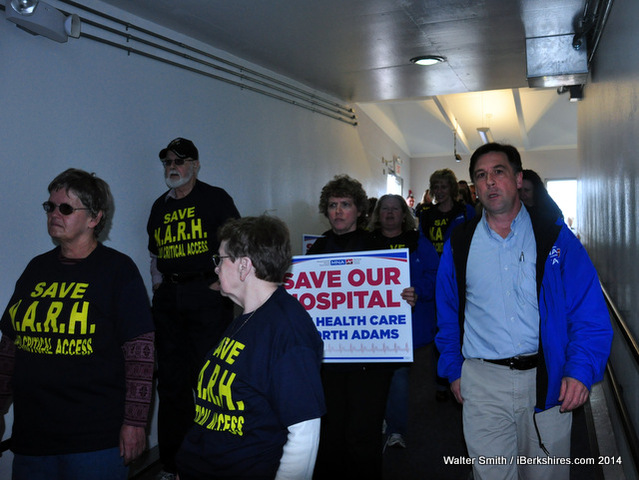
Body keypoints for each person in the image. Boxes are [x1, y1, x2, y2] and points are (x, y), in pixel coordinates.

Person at [436, 143, 613, 480]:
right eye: (481, 175)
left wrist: (579, 370)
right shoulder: (459, 243)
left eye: (498, 172)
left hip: (546, 380)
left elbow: (588, 311)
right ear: (474, 187)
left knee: (546, 474)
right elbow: (447, 313)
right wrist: (454, 370)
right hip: (483, 383)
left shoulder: (555, 238)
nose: (490, 181)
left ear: (518, 179)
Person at [0, 169, 155, 479]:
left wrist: (135, 422)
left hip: (94, 442)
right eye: (50, 206)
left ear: (94, 218)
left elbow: (140, 351)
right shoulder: (36, 269)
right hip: (33, 438)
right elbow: (9, 345)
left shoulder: (117, 270)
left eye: (66, 208)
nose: (54, 214)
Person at [176, 216, 325, 479]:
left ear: (244, 266)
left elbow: (304, 431)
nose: (216, 268)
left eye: (220, 259)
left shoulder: (287, 329)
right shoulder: (247, 319)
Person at [147, 137, 240, 479]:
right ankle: (172, 464)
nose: (173, 167)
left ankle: (212, 461)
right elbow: (154, 253)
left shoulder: (215, 199)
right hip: (169, 301)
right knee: (171, 383)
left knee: (211, 381)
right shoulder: (159, 207)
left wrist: (221, 285)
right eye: (168, 162)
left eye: (180, 161)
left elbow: (237, 243)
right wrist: (159, 285)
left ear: (196, 165)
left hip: (206, 298)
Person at [308, 175, 401, 480]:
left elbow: (393, 293)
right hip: (329, 362)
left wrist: (406, 297)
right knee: (331, 432)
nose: (338, 211)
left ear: (359, 210)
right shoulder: (316, 249)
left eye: (345, 204)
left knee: (363, 432)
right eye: (333, 205)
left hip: (370, 362)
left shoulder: (378, 246)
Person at [368, 195, 439, 450]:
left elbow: (436, 275)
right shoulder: (367, 242)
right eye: (384, 209)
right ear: (378, 214)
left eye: (395, 209)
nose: (389, 213)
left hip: (406, 325)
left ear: (403, 214)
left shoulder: (418, 242)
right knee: (374, 377)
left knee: (398, 375)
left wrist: (418, 290)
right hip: (372, 324)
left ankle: (396, 429)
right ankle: (382, 418)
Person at [419, 169, 476, 256]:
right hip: (434, 262)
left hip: (459, 261)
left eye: (444, 187)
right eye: (436, 187)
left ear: (451, 188)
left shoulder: (465, 211)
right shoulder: (426, 214)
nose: (439, 191)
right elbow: (423, 243)